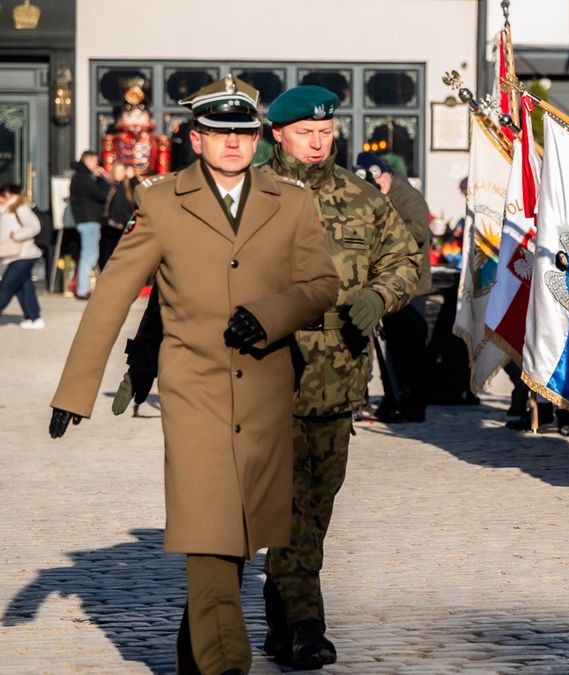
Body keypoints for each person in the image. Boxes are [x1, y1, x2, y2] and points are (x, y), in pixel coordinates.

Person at [47, 74, 339, 675]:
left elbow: (321, 286)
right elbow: (112, 297)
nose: (233, 144)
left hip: (264, 387)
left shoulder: (293, 201)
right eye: (218, 133)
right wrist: (76, 390)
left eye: (243, 133)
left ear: (259, 137)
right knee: (207, 522)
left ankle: (194, 653)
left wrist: (268, 315)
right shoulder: (157, 202)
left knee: (238, 529)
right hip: (194, 390)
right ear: (195, 138)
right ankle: (225, 663)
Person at [261, 85, 421, 668]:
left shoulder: (362, 198)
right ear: (277, 133)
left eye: (325, 132)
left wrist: (381, 295)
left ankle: (282, 615)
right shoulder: (253, 196)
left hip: (338, 378)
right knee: (287, 506)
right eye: (305, 132)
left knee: (316, 507)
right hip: (266, 375)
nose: (318, 142)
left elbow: (406, 259)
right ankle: (306, 625)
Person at [355, 150, 433, 423]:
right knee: (393, 349)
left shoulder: (408, 198)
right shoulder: (378, 197)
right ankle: (393, 399)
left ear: (383, 174)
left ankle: (413, 405)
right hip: (387, 285)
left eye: (378, 185)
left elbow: (419, 232)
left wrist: (383, 238)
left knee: (410, 349)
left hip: (411, 287)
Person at [0, 183, 44, 329]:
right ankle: (35, 318)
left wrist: (16, 235)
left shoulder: (20, 207)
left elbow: (35, 226)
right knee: (24, 287)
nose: (1, 198)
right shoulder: (6, 209)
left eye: (4, 195)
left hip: (24, 254)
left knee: (6, 287)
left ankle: (35, 318)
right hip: (15, 255)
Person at [68, 150, 111, 299]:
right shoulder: (83, 178)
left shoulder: (80, 176)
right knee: (89, 255)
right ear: (88, 160)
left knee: (91, 255)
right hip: (88, 221)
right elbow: (101, 194)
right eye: (95, 161)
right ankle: (82, 289)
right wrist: (103, 178)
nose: (97, 164)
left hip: (87, 220)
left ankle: (83, 288)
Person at [100, 160, 137, 270]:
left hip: (126, 226)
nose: (120, 173)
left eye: (122, 171)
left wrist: (133, 178)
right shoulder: (111, 186)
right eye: (118, 171)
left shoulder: (128, 187)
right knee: (111, 254)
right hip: (112, 227)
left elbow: (141, 191)